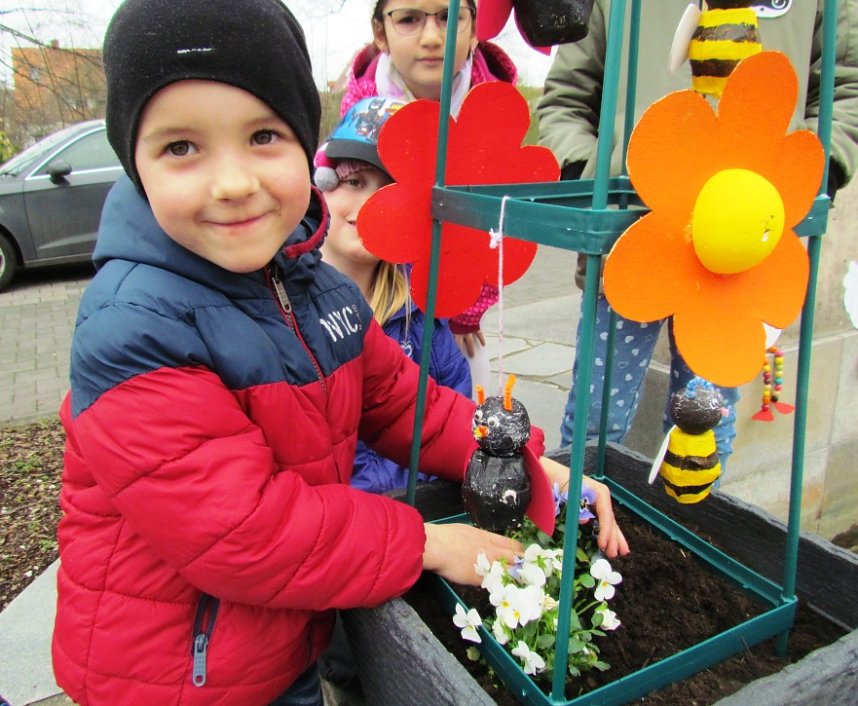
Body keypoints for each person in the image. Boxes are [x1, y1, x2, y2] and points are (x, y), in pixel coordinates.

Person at [51, 1, 628, 705]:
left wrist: (529, 462)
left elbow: (411, 406)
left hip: (277, 638)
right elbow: (245, 532)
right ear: (134, 166)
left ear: (304, 149)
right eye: (181, 147)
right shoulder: (133, 329)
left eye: (263, 136)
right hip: (173, 677)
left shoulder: (318, 291)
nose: (232, 182)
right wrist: (430, 544)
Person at [537, 0, 858, 466]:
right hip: (632, 239)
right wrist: (593, 175)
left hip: (741, 254)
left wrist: (815, 170)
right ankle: (579, 528)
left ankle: (688, 531)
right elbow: (566, 97)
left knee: (707, 429)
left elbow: (845, 87)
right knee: (595, 423)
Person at [341, 0, 520, 394]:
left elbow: (500, 229)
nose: (432, 37)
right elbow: (344, 213)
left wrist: (464, 313)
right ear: (379, 31)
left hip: (457, 310)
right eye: (409, 19)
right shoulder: (358, 109)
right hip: (377, 301)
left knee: (466, 407)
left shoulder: (495, 113)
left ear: (474, 30)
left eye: (449, 18)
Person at [316, 96, 472, 494]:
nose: (371, 205)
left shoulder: (421, 313)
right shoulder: (288, 310)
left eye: (392, 189)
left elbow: (454, 415)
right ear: (323, 188)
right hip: (344, 527)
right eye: (354, 182)